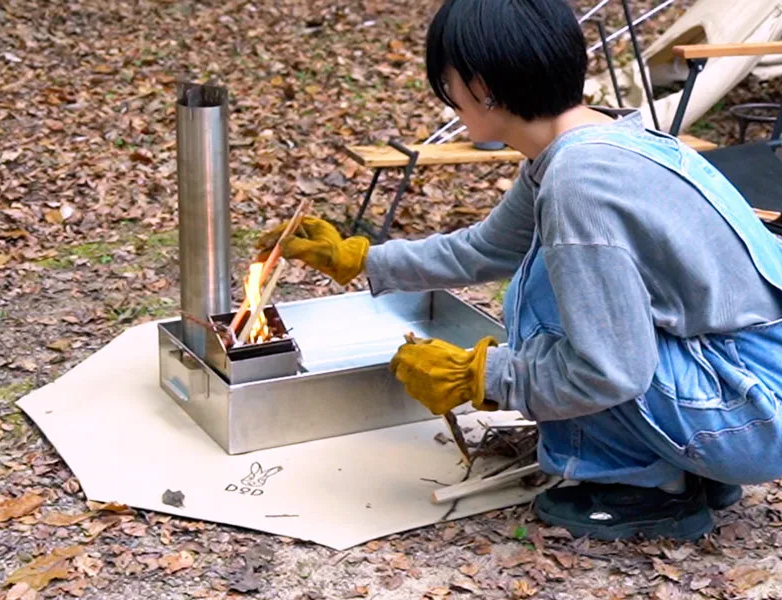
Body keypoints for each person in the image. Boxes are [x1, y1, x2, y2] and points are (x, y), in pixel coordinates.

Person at [257, 0, 782, 541]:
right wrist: (360, 258)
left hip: (751, 411)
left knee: (544, 293)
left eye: (449, 82)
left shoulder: (581, 182)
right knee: (560, 283)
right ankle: (682, 466)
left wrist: (480, 377)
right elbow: (483, 249)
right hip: (744, 383)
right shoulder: (593, 143)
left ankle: (639, 488)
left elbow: (612, 369)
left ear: (482, 86)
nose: (449, 98)